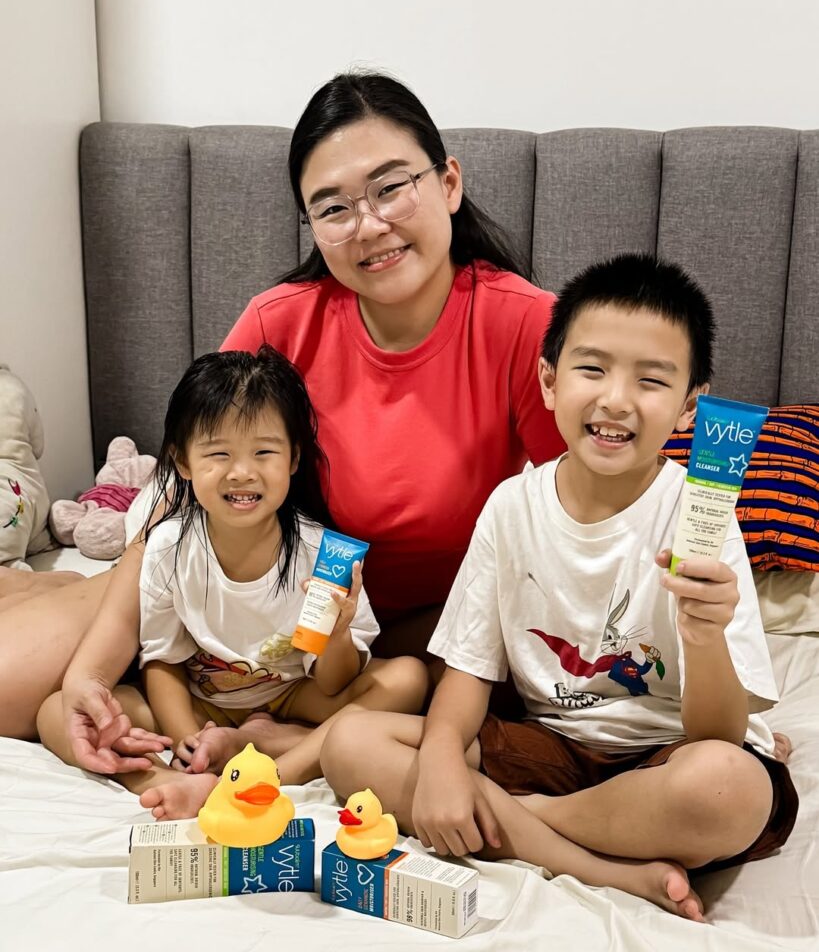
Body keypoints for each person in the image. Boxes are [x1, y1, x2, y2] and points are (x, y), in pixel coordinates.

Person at [0, 71, 563, 757]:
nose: (369, 226)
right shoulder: (280, 324)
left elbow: (588, 509)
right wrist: (91, 670)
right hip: (248, 595)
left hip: (419, 624)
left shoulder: (526, 325)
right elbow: (178, 503)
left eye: (391, 187)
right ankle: (49, 591)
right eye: (333, 208)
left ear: (448, 183)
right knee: (16, 691)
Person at [320, 253, 799, 921]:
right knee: (350, 743)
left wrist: (704, 635)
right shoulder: (511, 506)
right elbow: (468, 667)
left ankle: (527, 825)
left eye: (651, 380)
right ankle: (602, 864)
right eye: (592, 368)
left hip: (666, 755)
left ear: (689, 406)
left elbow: (717, 734)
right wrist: (441, 761)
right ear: (548, 380)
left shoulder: (699, 518)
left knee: (726, 789)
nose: (615, 399)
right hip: (547, 744)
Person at [37, 348, 427, 821]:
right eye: (219, 453)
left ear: (293, 458)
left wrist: (338, 635)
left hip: (292, 697)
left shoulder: (322, 554)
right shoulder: (168, 547)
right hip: (204, 702)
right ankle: (168, 781)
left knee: (407, 677)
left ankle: (274, 770)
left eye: (263, 452)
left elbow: (333, 681)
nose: (242, 472)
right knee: (57, 711)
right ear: (182, 461)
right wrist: (188, 741)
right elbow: (163, 660)